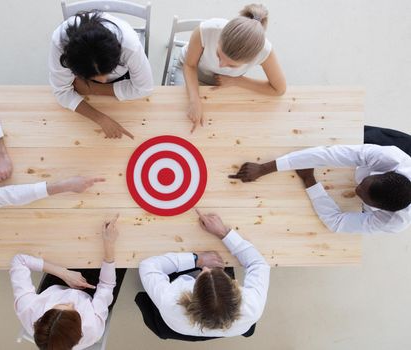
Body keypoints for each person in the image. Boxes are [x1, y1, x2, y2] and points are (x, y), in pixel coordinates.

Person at [137, 209, 270, 339]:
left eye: (203, 273)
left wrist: (197, 260)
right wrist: (223, 233)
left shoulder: (171, 301)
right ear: (234, 287)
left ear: (191, 294)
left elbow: (148, 266)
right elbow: (258, 264)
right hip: (225, 328)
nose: (206, 268)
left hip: (176, 325)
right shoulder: (253, 305)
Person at [232, 144, 411, 234]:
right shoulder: (390, 157)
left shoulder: (394, 222)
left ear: (381, 210)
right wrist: (264, 169)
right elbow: (327, 154)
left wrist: (310, 180)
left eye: (364, 197)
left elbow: (336, 223)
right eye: (364, 184)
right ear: (383, 172)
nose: (357, 189)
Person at [10, 214, 124, 350]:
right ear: (80, 328)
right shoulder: (92, 328)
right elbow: (106, 286)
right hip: (92, 295)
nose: (70, 301)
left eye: (59, 304)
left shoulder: (28, 309)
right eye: (73, 308)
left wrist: (64, 273)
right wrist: (109, 245)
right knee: (122, 247)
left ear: (42, 317)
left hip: (59, 281)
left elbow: (19, 260)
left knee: (72, 231)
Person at [175, 3, 286, 132]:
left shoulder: (264, 52)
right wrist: (194, 99)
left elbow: (279, 90)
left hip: (226, 82)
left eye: (231, 65)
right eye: (218, 54)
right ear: (219, 38)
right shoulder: (206, 30)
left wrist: (237, 81)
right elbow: (189, 65)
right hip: (191, 70)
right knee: (178, 119)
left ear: (252, 60)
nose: (220, 65)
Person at [49, 11, 153, 139]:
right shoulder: (59, 42)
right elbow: (61, 91)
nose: (103, 80)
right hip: (82, 84)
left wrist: (94, 88)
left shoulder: (130, 45)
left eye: (109, 70)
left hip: (111, 81)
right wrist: (100, 118)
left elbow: (145, 88)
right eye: (94, 76)